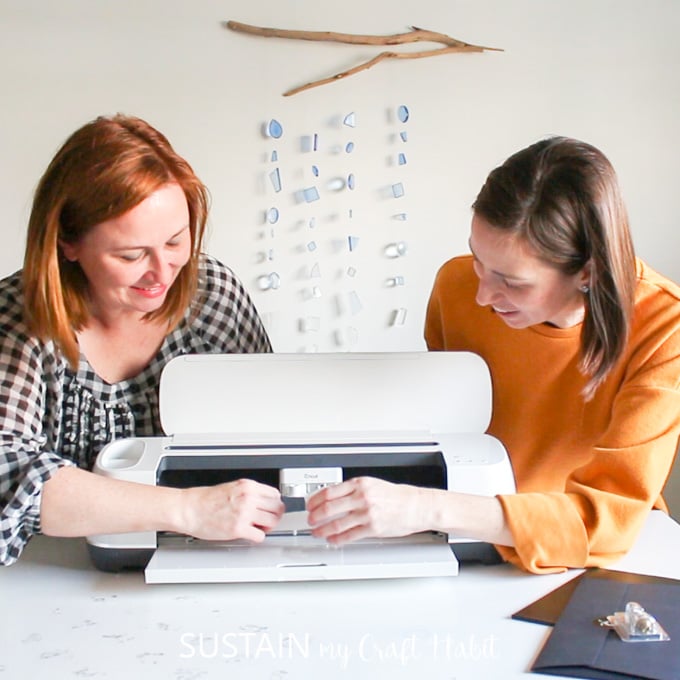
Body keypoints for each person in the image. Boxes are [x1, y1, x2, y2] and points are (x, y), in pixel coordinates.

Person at [307, 136, 680, 574]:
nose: (484, 294)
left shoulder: (664, 329)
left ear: (587, 271)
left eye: (511, 281)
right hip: (468, 537)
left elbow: (605, 523)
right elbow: (447, 437)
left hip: (594, 560)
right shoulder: (457, 286)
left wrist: (427, 507)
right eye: (477, 259)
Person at [0, 114, 284, 566]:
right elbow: (8, 472)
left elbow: (273, 432)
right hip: (51, 573)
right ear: (68, 244)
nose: (160, 273)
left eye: (175, 242)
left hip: (207, 562)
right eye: (130, 255)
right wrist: (188, 509)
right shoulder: (17, 317)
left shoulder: (212, 295)